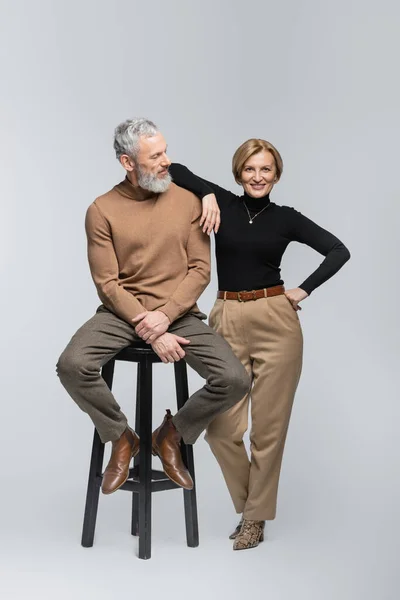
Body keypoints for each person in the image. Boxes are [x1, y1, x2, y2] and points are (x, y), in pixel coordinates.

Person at [168, 139, 350, 550]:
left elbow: (339, 251)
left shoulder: (286, 218)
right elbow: (175, 168)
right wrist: (208, 193)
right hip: (227, 316)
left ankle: (254, 519)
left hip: (275, 321)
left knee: (268, 432)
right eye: (250, 169)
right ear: (239, 173)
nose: (258, 177)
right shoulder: (225, 206)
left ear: (277, 174)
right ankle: (253, 505)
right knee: (221, 431)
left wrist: (303, 290)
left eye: (266, 169)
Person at [56, 118, 250, 497]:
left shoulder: (190, 200)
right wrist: (148, 323)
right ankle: (121, 437)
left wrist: (164, 317)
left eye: (165, 151)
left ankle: (170, 434)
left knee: (234, 379)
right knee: (72, 365)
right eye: (156, 155)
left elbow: (200, 270)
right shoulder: (101, 209)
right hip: (121, 314)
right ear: (128, 163)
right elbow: (107, 283)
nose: (167, 161)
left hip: (178, 313)